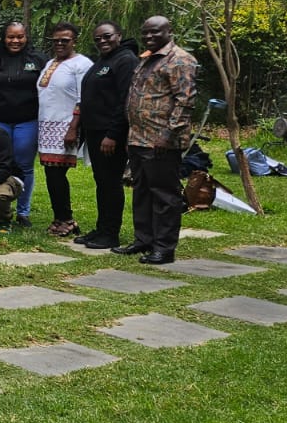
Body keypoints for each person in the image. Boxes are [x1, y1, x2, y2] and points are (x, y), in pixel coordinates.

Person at [116, 16, 198, 264]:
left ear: (169, 31)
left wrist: (168, 134)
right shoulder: (147, 58)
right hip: (138, 138)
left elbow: (185, 101)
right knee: (141, 191)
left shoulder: (180, 60)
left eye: (155, 32)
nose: (149, 36)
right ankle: (144, 240)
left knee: (164, 195)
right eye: (145, 32)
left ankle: (164, 247)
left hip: (161, 140)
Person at [75, 23, 140, 249]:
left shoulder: (126, 60)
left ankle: (110, 234)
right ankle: (101, 228)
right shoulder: (104, 60)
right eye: (97, 38)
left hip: (110, 134)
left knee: (111, 183)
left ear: (119, 35)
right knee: (102, 182)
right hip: (94, 132)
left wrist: (113, 134)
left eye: (107, 36)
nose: (102, 41)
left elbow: (125, 101)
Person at [0, 20, 44, 226]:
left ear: (26, 37)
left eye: (19, 37)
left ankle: (23, 211)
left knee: (24, 165)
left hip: (27, 121)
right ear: (4, 39)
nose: (15, 41)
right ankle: (2, 206)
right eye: (11, 37)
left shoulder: (38, 59)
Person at [36, 21, 94, 238]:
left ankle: (66, 219)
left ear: (74, 41)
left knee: (57, 174)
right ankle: (59, 218)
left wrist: (73, 128)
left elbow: (83, 98)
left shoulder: (81, 64)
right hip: (47, 126)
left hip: (65, 126)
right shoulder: (50, 63)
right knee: (51, 174)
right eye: (56, 40)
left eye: (65, 40)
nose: (59, 44)